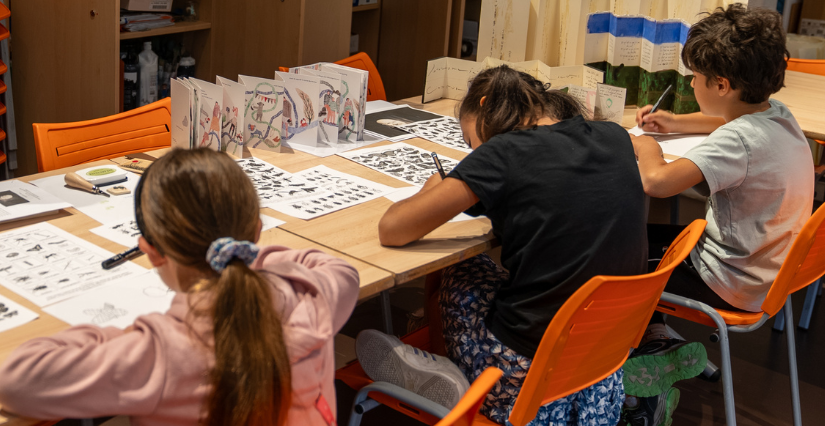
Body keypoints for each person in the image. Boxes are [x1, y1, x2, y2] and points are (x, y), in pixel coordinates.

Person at [358, 65, 648, 425]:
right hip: (600, 360)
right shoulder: (612, 135)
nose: (472, 150)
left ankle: (452, 374)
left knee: (458, 272)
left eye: (468, 141)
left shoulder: (504, 153)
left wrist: (438, 184)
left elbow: (394, 228)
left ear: (483, 106)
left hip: (525, 371)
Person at [0, 148, 360, 426]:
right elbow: (340, 270)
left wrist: (115, 338)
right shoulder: (312, 296)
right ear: (255, 233)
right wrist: (249, 254)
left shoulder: (159, 353)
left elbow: (15, 380)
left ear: (151, 252)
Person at [625, 4, 813, 425]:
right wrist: (674, 123)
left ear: (722, 84)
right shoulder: (775, 115)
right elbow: (723, 123)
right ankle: (659, 340)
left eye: (694, 77)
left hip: (726, 281)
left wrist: (645, 146)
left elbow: (656, 182)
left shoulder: (739, 142)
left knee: (620, 249)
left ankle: (638, 382)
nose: (690, 83)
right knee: (645, 235)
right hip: (768, 273)